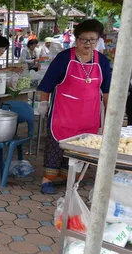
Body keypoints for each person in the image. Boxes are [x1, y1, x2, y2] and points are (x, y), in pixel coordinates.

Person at [37, 19, 112, 194]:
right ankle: (47, 180)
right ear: (76, 39)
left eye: (92, 39)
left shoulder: (102, 61)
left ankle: (69, 178)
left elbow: (107, 91)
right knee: (56, 146)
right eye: (83, 39)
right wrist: (43, 105)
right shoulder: (64, 58)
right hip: (63, 114)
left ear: (98, 40)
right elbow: (47, 85)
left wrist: (110, 115)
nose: (87, 43)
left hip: (89, 116)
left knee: (83, 148)